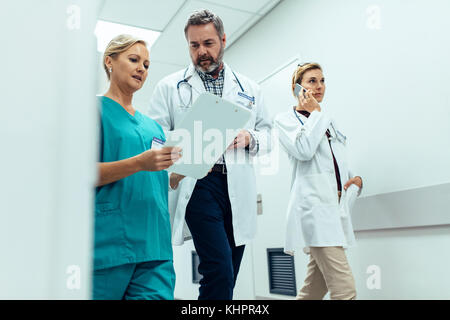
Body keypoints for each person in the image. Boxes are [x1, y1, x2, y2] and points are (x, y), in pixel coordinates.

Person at [148, 9, 272, 300]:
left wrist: (249, 137)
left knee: (229, 269)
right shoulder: (169, 87)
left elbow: (269, 135)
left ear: (223, 40)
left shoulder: (250, 89)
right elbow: (155, 137)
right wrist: (182, 145)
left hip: (236, 186)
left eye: (208, 43)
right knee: (219, 270)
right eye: (194, 45)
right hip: (198, 184)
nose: (201, 51)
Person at [93, 34, 182, 300]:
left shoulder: (153, 126)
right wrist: (138, 163)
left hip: (155, 245)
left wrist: (178, 173)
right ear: (109, 61)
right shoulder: (92, 110)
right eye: (134, 60)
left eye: (146, 65)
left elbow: (151, 178)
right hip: (109, 244)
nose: (141, 69)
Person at [274, 63, 363, 300]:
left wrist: (354, 181)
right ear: (297, 88)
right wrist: (315, 114)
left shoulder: (327, 121)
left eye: (322, 81)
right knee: (345, 290)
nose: (319, 86)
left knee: (313, 290)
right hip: (314, 209)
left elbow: (336, 161)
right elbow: (304, 150)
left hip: (334, 209)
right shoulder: (286, 120)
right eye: (312, 81)